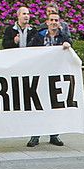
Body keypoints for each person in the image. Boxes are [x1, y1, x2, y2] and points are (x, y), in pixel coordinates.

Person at [27, 12, 72, 148]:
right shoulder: (38, 36)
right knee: (38, 106)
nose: (53, 22)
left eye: (56, 20)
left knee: (54, 106)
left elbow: (70, 51)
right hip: (40, 76)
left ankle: (54, 134)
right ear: (47, 22)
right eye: (51, 20)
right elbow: (30, 51)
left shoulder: (63, 38)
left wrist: (67, 46)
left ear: (59, 23)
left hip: (55, 78)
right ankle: (35, 135)